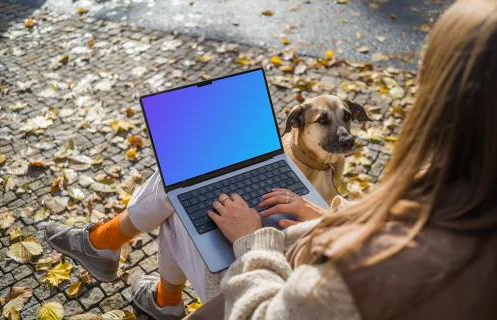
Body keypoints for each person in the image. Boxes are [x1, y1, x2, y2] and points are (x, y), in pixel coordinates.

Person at [47, 0, 497, 318]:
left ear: (439, 103)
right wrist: (324, 216)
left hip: (261, 281)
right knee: (186, 187)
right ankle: (134, 272)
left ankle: (117, 255)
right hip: (306, 232)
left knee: (179, 189)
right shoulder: (456, 214)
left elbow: (264, 313)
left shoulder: (373, 267)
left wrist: (251, 241)